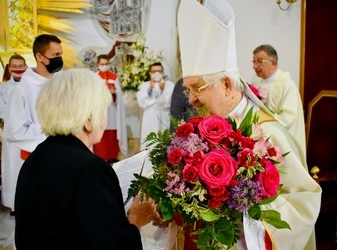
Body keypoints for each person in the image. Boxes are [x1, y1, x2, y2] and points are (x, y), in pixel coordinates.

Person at [177, 0, 321, 249]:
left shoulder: (268, 136)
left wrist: (243, 205)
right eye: (187, 89)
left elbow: (304, 202)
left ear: (226, 84)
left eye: (197, 88)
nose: (191, 99)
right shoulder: (202, 131)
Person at [14, 68, 163, 249]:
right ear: (88, 119)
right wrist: (135, 220)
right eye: (103, 110)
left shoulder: (36, 157)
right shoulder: (90, 169)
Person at [3, 34, 63, 214]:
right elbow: (15, 131)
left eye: (61, 53)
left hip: (62, 155)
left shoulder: (60, 82)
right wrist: (53, 129)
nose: (59, 59)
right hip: (37, 157)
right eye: (55, 55)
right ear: (39, 57)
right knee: (40, 209)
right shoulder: (22, 88)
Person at [251, 44, 307, 161]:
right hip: (265, 138)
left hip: (284, 141)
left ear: (273, 63)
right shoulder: (256, 84)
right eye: (254, 61)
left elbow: (288, 118)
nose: (255, 66)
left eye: (260, 61)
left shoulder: (287, 85)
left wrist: (265, 125)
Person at [0, 54, 27, 216]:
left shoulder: (31, 85)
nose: (18, 68)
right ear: (9, 67)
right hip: (11, 133)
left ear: (26, 66)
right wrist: (16, 113)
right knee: (12, 167)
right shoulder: (3, 88)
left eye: (21, 65)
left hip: (28, 133)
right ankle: (15, 204)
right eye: (14, 65)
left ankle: (29, 202)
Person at [93, 54, 127, 163]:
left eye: (106, 64)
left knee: (112, 135)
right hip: (100, 110)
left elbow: (119, 95)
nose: (104, 66)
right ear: (98, 65)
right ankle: (100, 158)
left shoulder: (114, 76)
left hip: (112, 110)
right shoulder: (94, 77)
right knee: (100, 136)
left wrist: (114, 93)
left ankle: (112, 157)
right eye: (102, 64)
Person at [137, 62, 174, 149]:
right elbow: (141, 101)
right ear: (150, 73)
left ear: (163, 72)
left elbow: (168, 102)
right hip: (149, 116)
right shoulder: (145, 85)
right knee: (149, 142)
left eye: (159, 71)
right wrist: (150, 89)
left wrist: (162, 90)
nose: (156, 73)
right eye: (154, 71)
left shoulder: (169, 84)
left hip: (164, 115)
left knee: (163, 142)